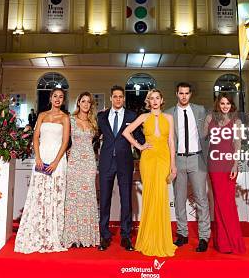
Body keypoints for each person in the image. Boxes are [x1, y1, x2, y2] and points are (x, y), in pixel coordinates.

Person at [15, 88, 70, 253]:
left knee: (55, 195)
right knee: (39, 195)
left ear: (63, 100)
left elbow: (65, 142)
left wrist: (55, 161)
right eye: (55, 96)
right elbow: (35, 137)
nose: (58, 99)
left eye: (61, 97)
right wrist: (37, 158)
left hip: (58, 160)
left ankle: (53, 234)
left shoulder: (65, 118)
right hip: (41, 157)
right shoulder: (42, 115)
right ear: (51, 98)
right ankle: (38, 232)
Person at [123, 89, 177, 257]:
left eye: (157, 98)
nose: (154, 101)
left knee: (161, 195)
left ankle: (161, 238)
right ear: (148, 101)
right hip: (148, 158)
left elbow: (171, 142)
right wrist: (139, 146)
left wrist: (173, 166)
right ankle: (148, 237)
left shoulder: (169, 118)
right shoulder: (143, 117)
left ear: (161, 100)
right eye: (151, 98)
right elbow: (126, 132)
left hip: (164, 158)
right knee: (149, 196)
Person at [97, 85, 144, 251]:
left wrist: (147, 148)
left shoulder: (132, 115)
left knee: (126, 200)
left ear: (124, 99)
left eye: (120, 97)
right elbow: (95, 137)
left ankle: (126, 236)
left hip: (125, 161)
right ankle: (104, 235)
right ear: (111, 98)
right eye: (115, 96)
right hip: (106, 162)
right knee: (104, 200)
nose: (118, 99)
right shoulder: (101, 116)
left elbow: (139, 136)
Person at [167, 82, 210, 252]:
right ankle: (182, 234)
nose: (184, 96)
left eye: (186, 93)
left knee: (201, 199)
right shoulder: (168, 113)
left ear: (190, 94)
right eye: (181, 93)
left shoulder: (200, 110)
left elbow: (212, 129)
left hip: (197, 158)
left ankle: (204, 237)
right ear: (176, 94)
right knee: (179, 199)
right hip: (177, 159)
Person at [204, 94, 245, 254]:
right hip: (214, 164)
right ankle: (222, 243)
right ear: (218, 104)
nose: (225, 106)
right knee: (219, 202)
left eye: (228, 103)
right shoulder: (210, 119)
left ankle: (233, 241)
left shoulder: (237, 122)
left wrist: (235, 165)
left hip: (228, 164)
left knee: (227, 202)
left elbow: (237, 145)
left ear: (231, 105)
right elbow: (202, 139)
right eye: (222, 103)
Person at [62, 92, 100, 248]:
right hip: (74, 162)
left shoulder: (93, 122)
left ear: (91, 105)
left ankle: (87, 237)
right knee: (72, 197)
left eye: (88, 102)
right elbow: (62, 139)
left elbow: (97, 142)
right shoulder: (70, 119)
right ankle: (72, 236)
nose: (85, 104)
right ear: (78, 103)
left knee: (88, 197)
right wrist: (66, 151)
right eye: (83, 101)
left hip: (89, 163)